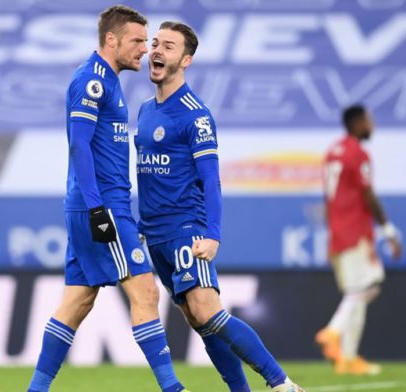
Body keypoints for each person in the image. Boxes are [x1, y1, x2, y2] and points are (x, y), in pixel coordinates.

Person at [135, 21, 304, 392]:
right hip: (157, 235)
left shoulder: (196, 114)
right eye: (155, 43)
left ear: (187, 60)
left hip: (186, 227)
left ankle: (282, 384)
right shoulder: (146, 111)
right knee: (199, 321)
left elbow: (211, 179)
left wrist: (212, 234)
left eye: (168, 46)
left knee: (208, 311)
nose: (157, 51)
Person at [27, 6, 188, 392]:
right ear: (111, 40)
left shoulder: (110, 81)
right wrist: (99, 207)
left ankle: (36, 389)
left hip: (92, 205)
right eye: (136, 41)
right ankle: (172, 388)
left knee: (77, 303)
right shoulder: (92, 81)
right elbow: (79, 145)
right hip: (103, 208)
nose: (145, 50)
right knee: (145, 292)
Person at [315, 105, 402, 375]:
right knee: (369, 285)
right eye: (368, 121)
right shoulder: (357, 153)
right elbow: (369, 195)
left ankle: (349, 359)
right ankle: (333, 331)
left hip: (338, 230)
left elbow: (331, 196)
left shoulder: (333, 152)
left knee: (357, 292)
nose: (372, 126)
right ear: (357, 123)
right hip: (355, 230)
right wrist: (388, 231)